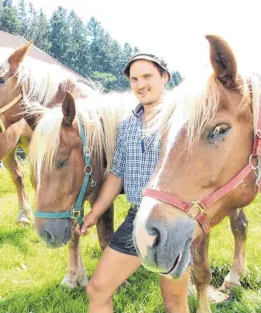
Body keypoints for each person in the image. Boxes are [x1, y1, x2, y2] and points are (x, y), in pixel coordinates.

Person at [76, 54, 190, 313]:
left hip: (172, 221)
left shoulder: (182, 120)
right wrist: (94, 213)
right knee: (97, 290)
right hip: (137, 218)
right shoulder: (127, 125)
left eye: (147, 77)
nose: (140, 84)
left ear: (164, 77)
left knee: (174, 303)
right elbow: (117, 174)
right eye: (134, 79)